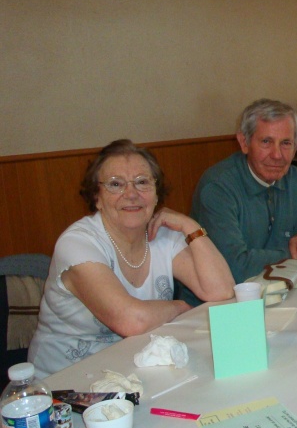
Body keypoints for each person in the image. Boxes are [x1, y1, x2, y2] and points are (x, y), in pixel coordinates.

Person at [28, 140, 235, 378]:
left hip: (134, 372)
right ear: (97, 197)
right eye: (116, 184)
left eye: (142, 182)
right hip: (62, 384)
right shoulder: (77, 244)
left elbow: (222, 290)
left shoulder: (163, 235)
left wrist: (191, 226)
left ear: (157, 195)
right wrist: (179, 307)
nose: (132, 194)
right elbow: (131, 321)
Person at [190, 99, 297, 287]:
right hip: (219, 304)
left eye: (286, 143)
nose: (277, 155)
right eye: (266, 142)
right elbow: (235, 267)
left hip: (279, 293)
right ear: (244, 142)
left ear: (296, 146)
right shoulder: (218, 189)